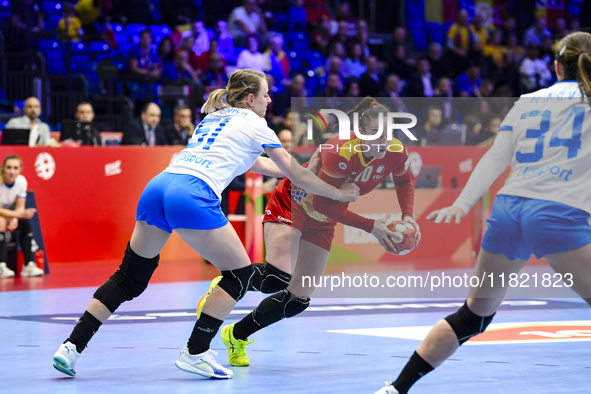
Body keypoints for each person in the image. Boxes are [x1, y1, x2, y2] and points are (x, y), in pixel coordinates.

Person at [52, 68, 359, 379]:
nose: (270, 99)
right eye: (266, 94)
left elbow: (256, 163)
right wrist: (338, 191)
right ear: (250, 98)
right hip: (191, 193)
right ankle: (196, 351)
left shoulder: (215, 117)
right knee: (239, 274)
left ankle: (71, 346)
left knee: (128, 278)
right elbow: (297, 177)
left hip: (158, 186)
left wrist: (301, 168)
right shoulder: (257, 123)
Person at [372, 31, 591, 394]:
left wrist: (462, 204)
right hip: (557, 214)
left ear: (555, 66)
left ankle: (396, 389)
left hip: (508, 212)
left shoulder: (527, 101)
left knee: (472, 317)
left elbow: (495, 157)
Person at [196, 98, 421, 368]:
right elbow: (322, 202)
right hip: (294, 204)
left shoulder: (396, 150)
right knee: (275, 278)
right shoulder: (339, 150)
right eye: (374, 133)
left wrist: (408, 216)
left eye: (387, 132)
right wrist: (372, 227)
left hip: (324, 221)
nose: (383, 140)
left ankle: (236, 335)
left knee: (297, 300)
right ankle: (223, 288)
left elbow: (404, 181)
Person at [0, 156, 42, 279]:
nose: (12, 171)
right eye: (8, 168)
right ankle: (1, 265)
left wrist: (15, 218)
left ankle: (28, 264)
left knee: (24, 222)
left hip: (7, 213)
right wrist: (16, 215)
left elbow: (20, 208)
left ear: (20, 170)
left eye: (15, 168)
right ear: (3, 169)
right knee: (1, 222)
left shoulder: (21, 181)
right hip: (2, 216)